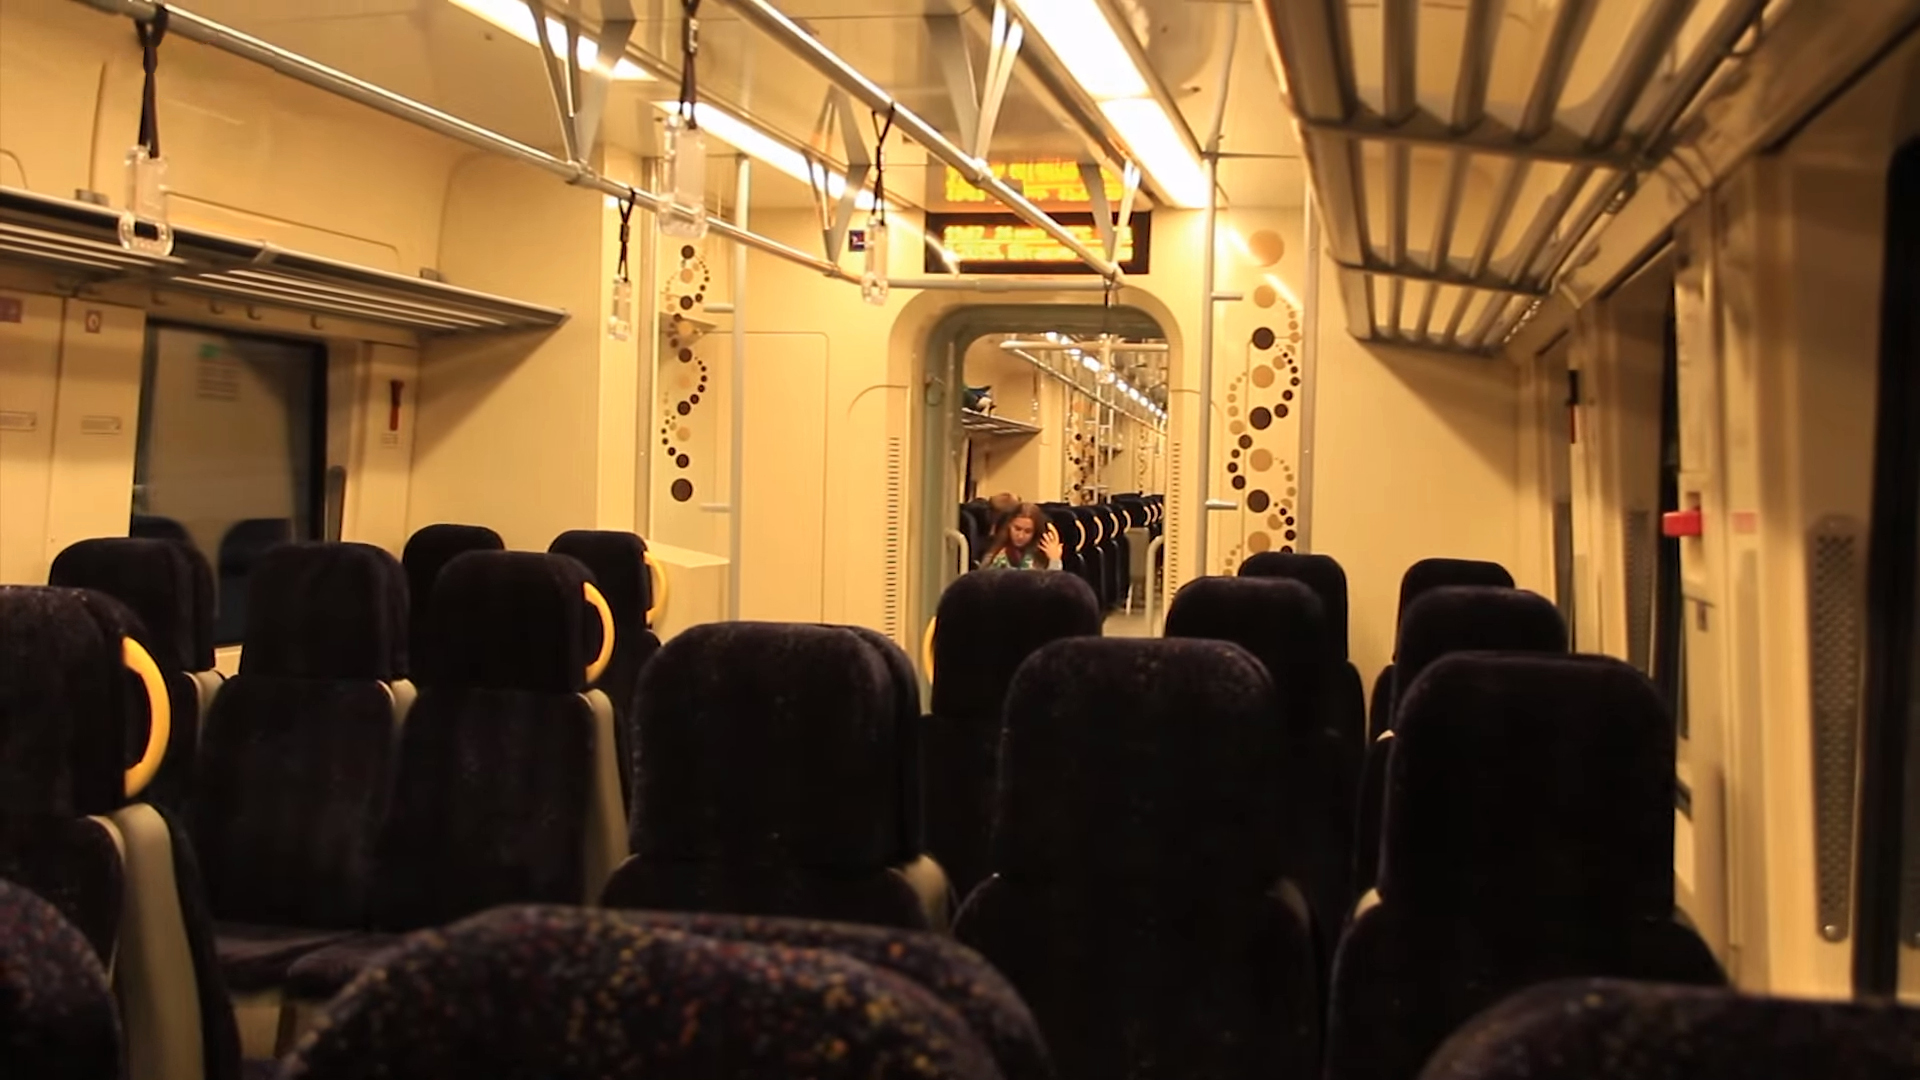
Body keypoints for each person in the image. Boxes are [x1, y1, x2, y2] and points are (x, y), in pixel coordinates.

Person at [981, 502, 1064, 570]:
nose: (1020, 536)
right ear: (1009, 525)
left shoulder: (1040, 556)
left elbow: (1053, 583)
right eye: (1017, 529)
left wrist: (1055, 560)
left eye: (1027, 531)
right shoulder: (997, 553)